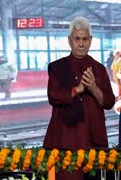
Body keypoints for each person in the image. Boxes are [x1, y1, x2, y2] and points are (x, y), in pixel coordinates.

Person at [43, 16, 115, 180]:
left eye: (85, 39)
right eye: (77, 39)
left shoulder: (99, 68)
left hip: (94, 141)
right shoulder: (57, 67)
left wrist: (94, 88)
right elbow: (53, 96)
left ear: (91, 40)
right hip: (66, 142)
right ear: (69, 41)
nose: (81, 44)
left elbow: (109, 102)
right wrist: (79, 89)